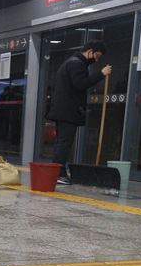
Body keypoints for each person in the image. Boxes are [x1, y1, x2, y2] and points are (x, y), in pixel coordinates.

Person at [47, 40, 112, 185]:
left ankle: (58, 172)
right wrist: (101, 74)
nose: (96, 59)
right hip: (67, 112)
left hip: (64, 111)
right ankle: (58, 173)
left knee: (61, 143)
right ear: (90, 51)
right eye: (97, 55)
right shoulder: (76, 64)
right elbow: (80, 84)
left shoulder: (71, 62)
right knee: (64, 144)